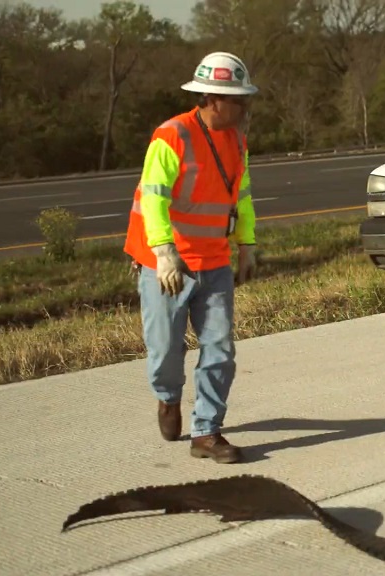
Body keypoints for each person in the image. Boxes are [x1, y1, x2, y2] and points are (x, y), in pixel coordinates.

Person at [123, 51, 259, 464]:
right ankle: (167, 398)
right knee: (165, 351)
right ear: (213, 99)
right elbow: (153, 198)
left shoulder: (237, 140)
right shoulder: (171, 136)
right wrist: (164, 253)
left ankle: (206, 431)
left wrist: (247, 244)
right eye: (238, 99)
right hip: (167, 264)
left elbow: (243, 195)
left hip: (214, 261)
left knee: (220, 348)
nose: (244, 107)